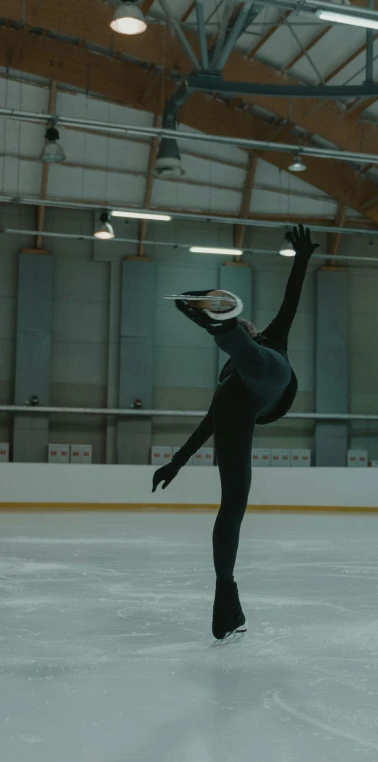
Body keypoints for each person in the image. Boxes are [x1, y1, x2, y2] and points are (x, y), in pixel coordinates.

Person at [152, 225, 319, 639]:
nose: (254, 325)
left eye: (244, 323)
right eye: (244, 324)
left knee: (256, 358)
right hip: (256, 389)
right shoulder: (250, 355)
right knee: (233, 506)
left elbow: (291, 301)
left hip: (255, 385)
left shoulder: (254, 351)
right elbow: (210, 419)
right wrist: (177, 460)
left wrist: (178, 461)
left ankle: (217, 327)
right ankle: (227, 600)